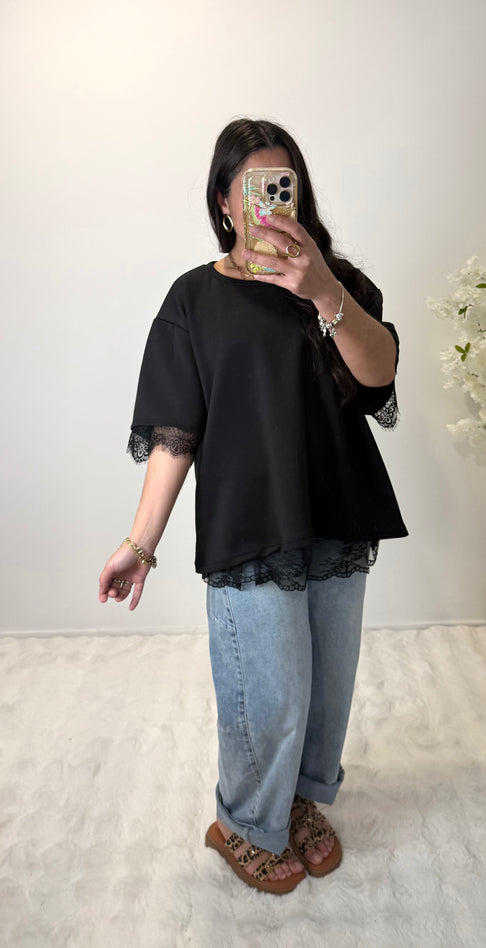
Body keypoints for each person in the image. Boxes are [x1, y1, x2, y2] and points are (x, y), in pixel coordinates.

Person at [98, 118, 407, 896]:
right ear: (223, 202)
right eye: (253, 188)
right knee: (268, 690)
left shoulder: (336, 283)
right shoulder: (194, 299)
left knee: (325, 686)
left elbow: (378, 379)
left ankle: (294, 802)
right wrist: (139, 544)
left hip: (337, 512)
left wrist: (323, 291)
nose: (269, 202)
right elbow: (175, 434)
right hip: (249, 522)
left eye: (282, 185)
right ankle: (241, 822)